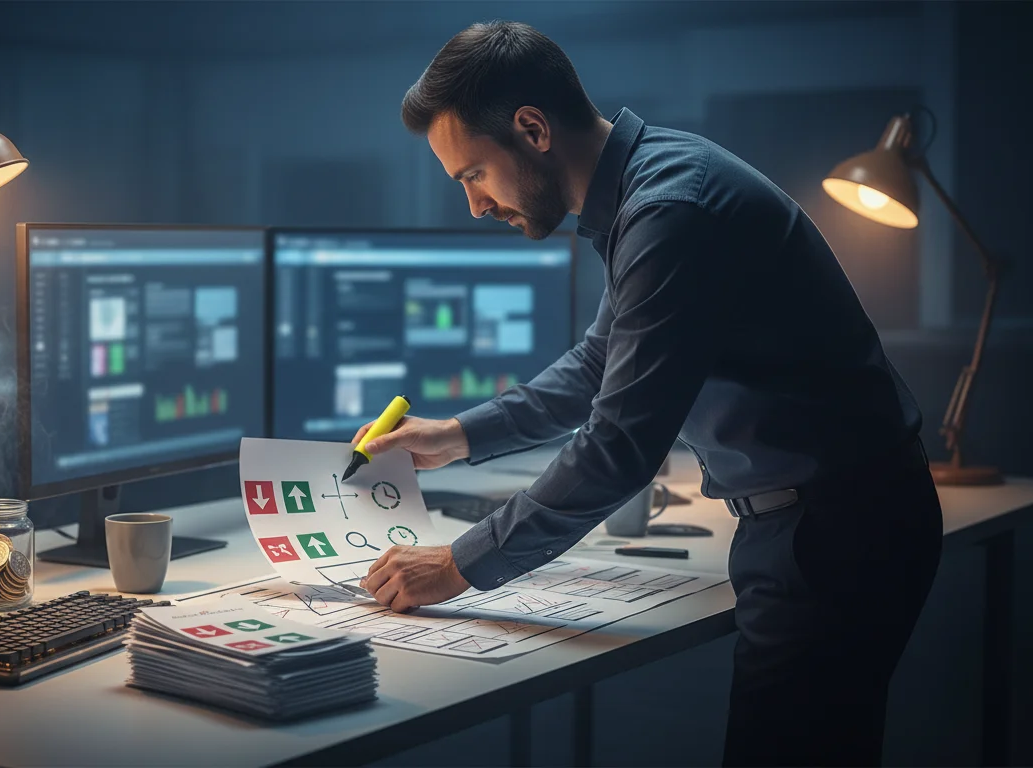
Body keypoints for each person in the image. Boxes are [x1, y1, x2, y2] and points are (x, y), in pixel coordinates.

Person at [355, 20, 943, 767]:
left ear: (531, 129)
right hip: (832, 516)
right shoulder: (650, 187)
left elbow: (620, 446)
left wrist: (459, 564)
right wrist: (460, 435)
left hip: (834, 531)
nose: (475, 204)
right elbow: (606, 360)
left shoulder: (670, 210)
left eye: (473, 174)